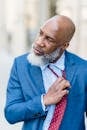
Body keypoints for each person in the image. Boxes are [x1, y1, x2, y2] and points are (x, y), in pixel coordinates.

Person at [4, 15, 87, 130]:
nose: (39, 42)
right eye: (40, 33)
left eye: (49, 39)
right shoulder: (20, 65)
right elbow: (11, 113)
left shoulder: (83, 70)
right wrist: (43, 100)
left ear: (64, 45)